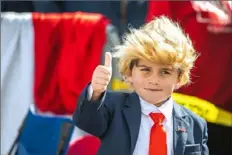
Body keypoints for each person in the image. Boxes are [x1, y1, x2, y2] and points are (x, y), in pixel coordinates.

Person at [72, 16, 209, 155]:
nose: (154, 80)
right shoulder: (112, 106)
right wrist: (96, 92)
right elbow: (86, 122)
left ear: (180, 77)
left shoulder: (196, 124)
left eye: (165, 72)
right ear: (129, 72)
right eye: (146, 70)